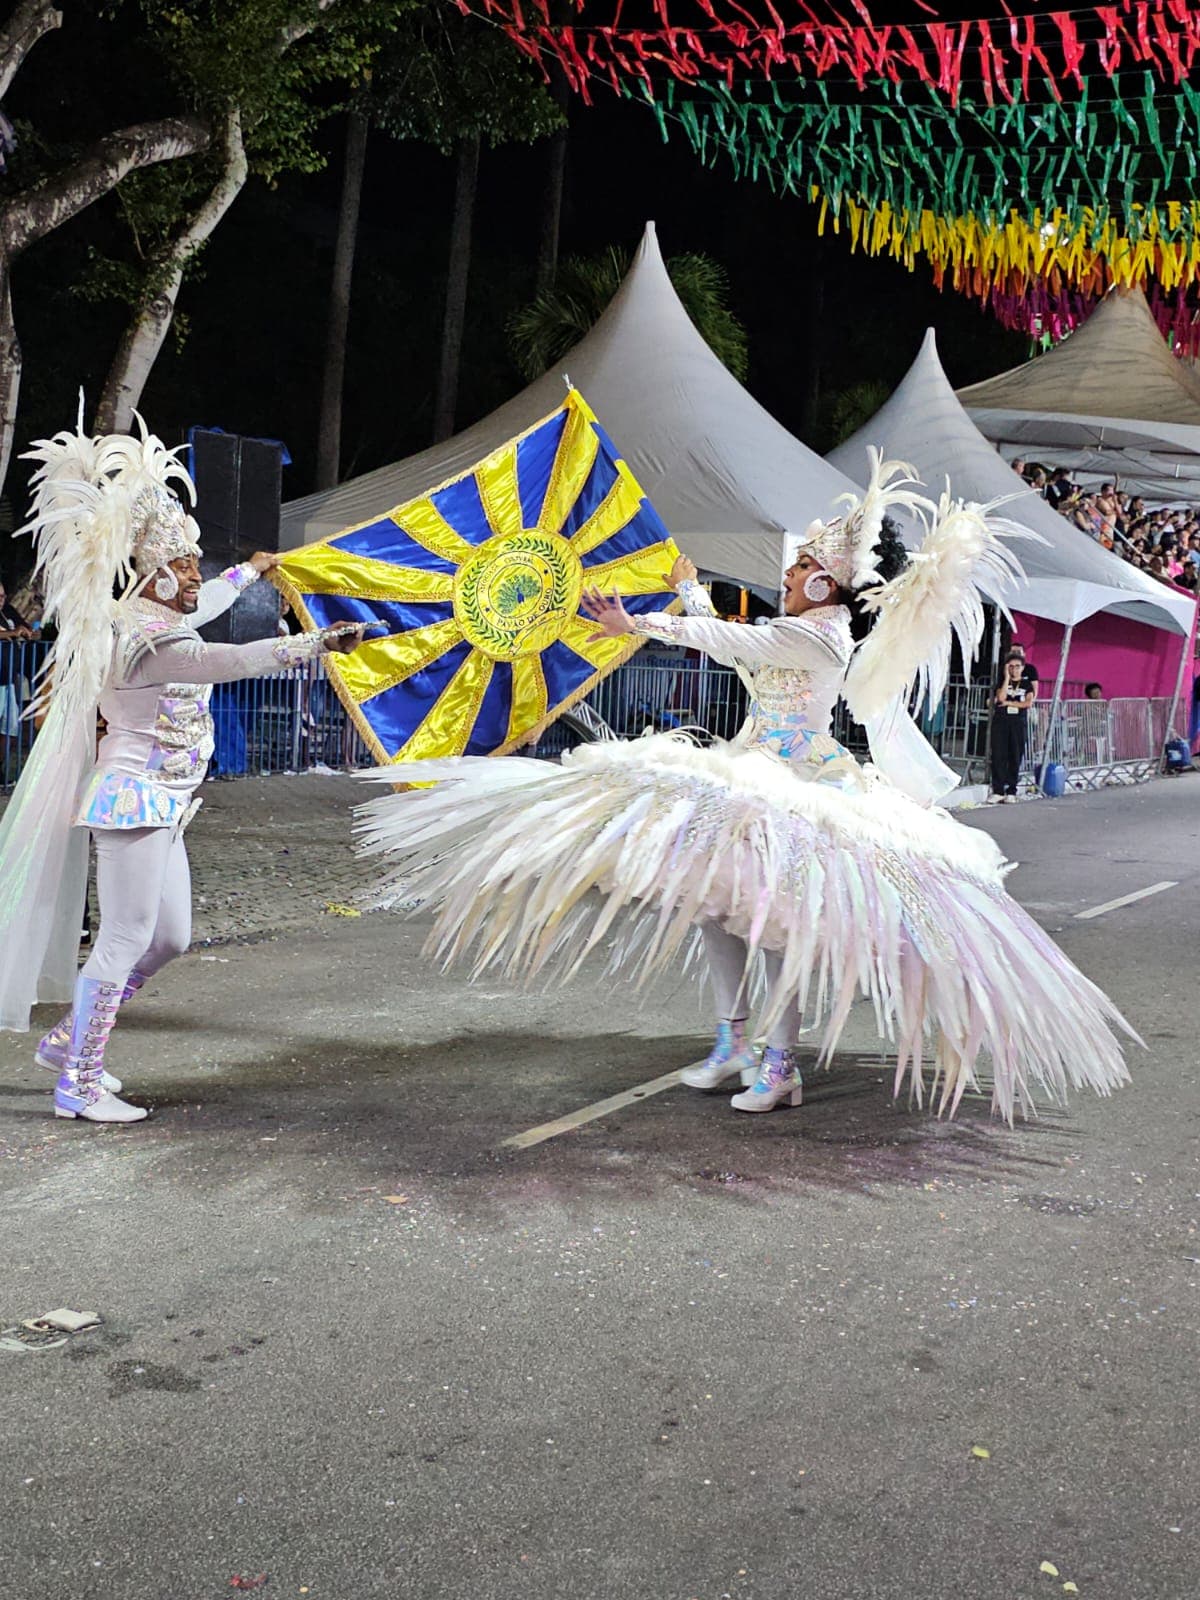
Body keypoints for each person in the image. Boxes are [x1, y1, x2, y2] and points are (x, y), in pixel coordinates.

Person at [357, 457, 1133, 1122]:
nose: (787, 575)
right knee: (714, 907)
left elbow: (743, 639)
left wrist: (646, 624)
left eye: (798, 569)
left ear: (825, 583)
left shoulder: (822, 633)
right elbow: (744, 656)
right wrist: (689, 596)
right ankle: (732, 1040)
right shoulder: (794, 630)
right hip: (750, 768)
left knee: (775, 924)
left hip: (802, 788)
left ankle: (781, 1062)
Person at [0, 414, 370, 1123]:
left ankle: (68, 1041)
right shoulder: (141, 636)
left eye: (199, 567)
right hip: (132, 796)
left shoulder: (163, 614)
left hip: (168, 801)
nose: (197, 578)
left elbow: (212, 607)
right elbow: (221, 662)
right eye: (187, 568)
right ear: (155, 575)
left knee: (168, 939)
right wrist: (315, 644)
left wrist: (247, 571)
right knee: (124, 940)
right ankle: (77, 1081)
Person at [0, 575, 33, 776]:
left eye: (3, 595)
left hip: (8, 679)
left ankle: (1, 768)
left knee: (10, 729)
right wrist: (12, 634)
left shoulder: (8, 611)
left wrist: (27, 632)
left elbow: (25, 628)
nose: (1, 599)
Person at [991, 653, 1035, 802]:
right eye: (1011, 666)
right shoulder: (1002, 682)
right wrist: (1006, 679)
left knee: (1015, 756)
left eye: (1017, 666)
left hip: (1017, 723)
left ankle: (1011, 790)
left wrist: (1010, 704)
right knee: (998, 755)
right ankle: (998, 790)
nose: (1014, 669)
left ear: (1022, 668)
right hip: (1001, 722)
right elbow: (1001, 698)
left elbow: (1028, 703)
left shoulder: (1026, 684)